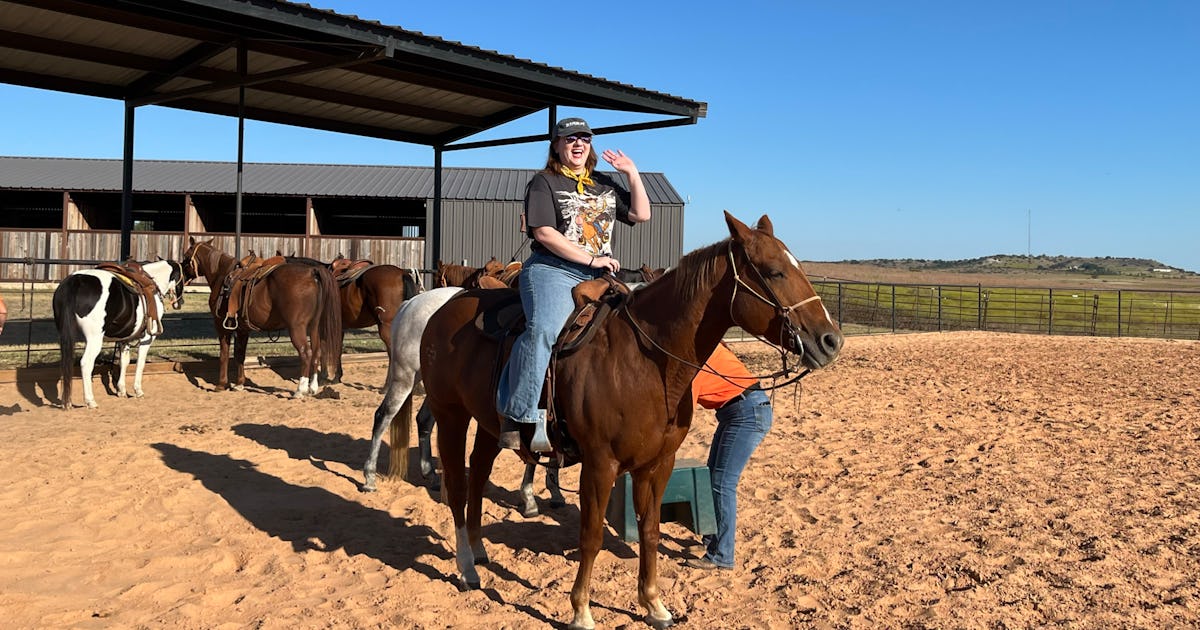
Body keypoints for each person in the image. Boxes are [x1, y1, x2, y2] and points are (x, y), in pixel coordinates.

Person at [496, 116, 651, 451]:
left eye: (584, 138)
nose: (578, 144)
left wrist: (633, 174)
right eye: (570, 139)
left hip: (600, 276)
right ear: (557, 145)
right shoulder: (544, 182)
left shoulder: (603, 183)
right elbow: (544, 233)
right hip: (554, 270)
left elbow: (641, 214)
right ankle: (518, 413)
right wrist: (591, 259)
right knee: (544, 330)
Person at [685, 342, 774, 571]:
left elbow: (681, 410)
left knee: (723, 483)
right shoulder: (703, 346)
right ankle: (712, 539)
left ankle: (721, 555)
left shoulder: (694, 357)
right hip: (738, 411)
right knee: (712, 476)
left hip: (746, 413)